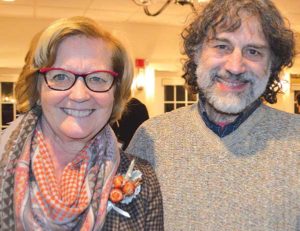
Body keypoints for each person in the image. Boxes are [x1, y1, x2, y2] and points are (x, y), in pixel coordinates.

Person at [127, 0, 300, 230]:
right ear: (197, 53)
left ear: (272, 65)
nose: (235, 66)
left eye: (253, 51)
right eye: (221, 46)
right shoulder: (152, 139)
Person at [0, 16, 163, 230]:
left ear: (116, 92)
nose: (79, 95)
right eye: (60, 77)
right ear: (37, 89)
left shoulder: (142, 181)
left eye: (97, 78)